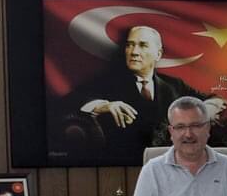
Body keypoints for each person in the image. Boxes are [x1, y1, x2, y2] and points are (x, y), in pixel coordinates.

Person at [63, 24, 189, 163]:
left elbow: (206, 101)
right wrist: (102, 106)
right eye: (130, 45)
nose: (134, 52)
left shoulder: (174, 85)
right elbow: (70, 101)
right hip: (121, 164)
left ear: (158, 54)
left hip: (168, 164)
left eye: (143, 45)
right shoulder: (107, 81)